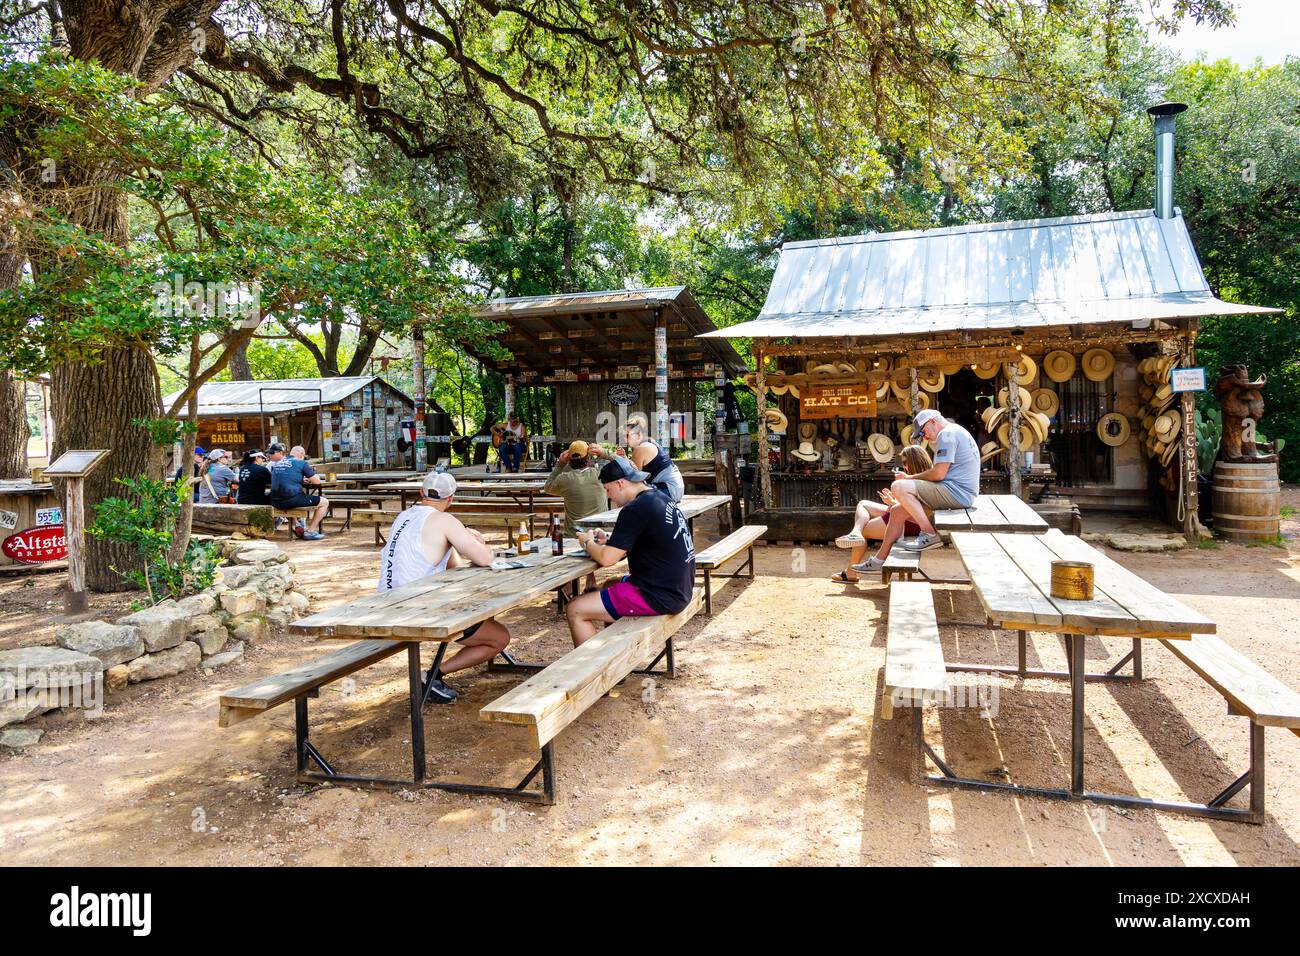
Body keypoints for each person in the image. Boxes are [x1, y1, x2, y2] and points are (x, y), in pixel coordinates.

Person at [377, 471, 511, 703]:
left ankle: (433, 675)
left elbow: (453, 567)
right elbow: (485, 559)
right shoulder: (445, 520)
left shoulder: (403, 517)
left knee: (476, 612)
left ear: (421, 493)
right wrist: (472, 538)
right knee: (499, 638)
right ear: (451, 499)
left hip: (388, 602)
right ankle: (432, 676)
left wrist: (455, 539)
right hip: (417, 609)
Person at [565, 456, 695, 646]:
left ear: (620, 484)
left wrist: (587, 542)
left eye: (608, 490)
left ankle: (600, 671)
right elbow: (648, 539)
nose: (608, 496)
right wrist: (609, 540)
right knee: (610, 584)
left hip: (658, 595)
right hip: (678, 588)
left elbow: (607, 559)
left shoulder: (634, 509)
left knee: (575, 609)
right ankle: (611, 651)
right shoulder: (658, 497)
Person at [852, 409, 980, 574]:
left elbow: (938, 474)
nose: (925, 437)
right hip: (959, 492)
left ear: (932, 421)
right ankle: (879, 560)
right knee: (897, 511)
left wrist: (908, 478)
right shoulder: (955, 431)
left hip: (956, 493)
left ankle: (929, 533)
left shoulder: (946, 434)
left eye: (924, 431)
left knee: (898, 487)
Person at [832, 444, 932, 583]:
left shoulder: (919, 480)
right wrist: (894, 501)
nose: (905, 467)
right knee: (863, 504)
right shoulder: (925, 478)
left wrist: (892, 503)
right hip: (904, 517)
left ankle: (851, 571)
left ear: (914, 462)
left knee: (865, 531)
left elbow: (916, 512)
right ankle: (855, 532)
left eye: (905, 463)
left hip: (908, 523)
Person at [543, 439, 609, 592]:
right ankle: (590, 581)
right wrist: (605, 453)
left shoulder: (564, 479)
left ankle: (568, 587)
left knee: (575, 533)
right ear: (589, 457)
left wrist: (560, 464)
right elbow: (624, 468)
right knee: (589, 533)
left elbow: (547, 487)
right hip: (601, 534)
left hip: (574, 535)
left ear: (569, 459)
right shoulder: (599, 474)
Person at [268, 443, 329, 540]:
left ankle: (297, 524)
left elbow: (286, 477)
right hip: (290, 500)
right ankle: (310, 531)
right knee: (324, 502)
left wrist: (300, 480)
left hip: (274, 501)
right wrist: (314, 476)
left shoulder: (278, 462)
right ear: (301, 455)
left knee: (294, 497)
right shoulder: (301, 463)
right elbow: (317, 482)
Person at [622, 411, 684, 502]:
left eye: (627, 435)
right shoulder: (650, 441)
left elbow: (632, 477)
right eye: (623, 436)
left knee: (630, 491)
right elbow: (634, 469)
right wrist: (624, 458)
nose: (625, 439)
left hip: (668, 489)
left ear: (638, 434)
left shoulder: (641, 449)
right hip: (676, 489)